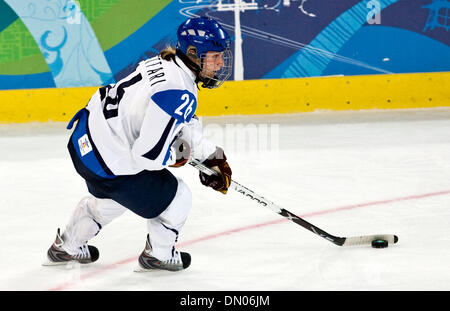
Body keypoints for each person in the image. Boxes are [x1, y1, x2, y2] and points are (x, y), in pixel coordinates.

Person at [43, 16, 233, 272]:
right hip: (110, 160)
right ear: (193, 53)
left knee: (114, 198)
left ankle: (67, 245)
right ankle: (160, 254)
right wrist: (178, 157)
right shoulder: (179, 91)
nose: (220, 63)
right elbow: (146, 156)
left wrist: (212, 155)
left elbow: (178, 124)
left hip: (84, 145)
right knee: (179, 198)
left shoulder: (163, 62)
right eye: (215, 56)